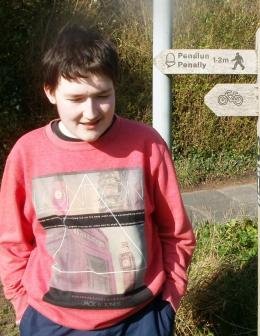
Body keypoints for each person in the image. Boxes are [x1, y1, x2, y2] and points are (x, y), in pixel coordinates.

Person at [0, 23, 196, 335]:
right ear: (50, 92)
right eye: (76, 99)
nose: (91, 111)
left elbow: (176, 234)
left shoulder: (148, 144)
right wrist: (22, 307)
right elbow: (13, 243)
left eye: (102, 95)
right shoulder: (27, 153)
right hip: (50, 322)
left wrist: (168, 301)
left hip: (142, 319)